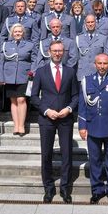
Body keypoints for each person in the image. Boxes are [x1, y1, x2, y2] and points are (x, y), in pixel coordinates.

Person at [31, 40, 79, 204]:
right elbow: (34, 97)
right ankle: (49, 189)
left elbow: (75, 96)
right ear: (49, 52)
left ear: (64, 52)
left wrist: (69, 109)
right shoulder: (41, 71)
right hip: (47, 119)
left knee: (67, 155)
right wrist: (46, 110)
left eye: (60, 51)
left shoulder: (70, 72)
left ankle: (65, 189)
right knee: (46, 155)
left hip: (65, 118)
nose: (57, 53)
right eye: (54, 51)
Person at [78, 53, 108, 205]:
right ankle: (97, 191)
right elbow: (82, 106)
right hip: (92, 126)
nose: (102, 66)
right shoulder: (86, 81)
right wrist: (82, 126)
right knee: (95, 161)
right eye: (99, 63)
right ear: (95, 64)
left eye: (105, 63)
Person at [0, 23, 35, 136]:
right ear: (12, 33)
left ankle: (21, 125)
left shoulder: (29, 45)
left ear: (23, 33)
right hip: (9, 75)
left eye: (20, 31)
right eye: (15, 32)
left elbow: (34, 60)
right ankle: (16, 125)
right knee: (13, 101)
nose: (17, 33)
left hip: (24, 75)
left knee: (21, 100)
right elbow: (1, 62)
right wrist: (1, 77)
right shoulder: (6, 45)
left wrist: (33, 72)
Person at [76, 14, 107, 81]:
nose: (90, 24)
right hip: (82, 73)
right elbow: (76, 57)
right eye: (88, 22)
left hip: (97, 73)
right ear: (85, 24)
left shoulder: (103, 38)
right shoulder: (78, 38)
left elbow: (106, 56)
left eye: (92, 22)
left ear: (95, 23)